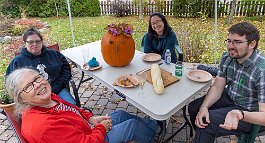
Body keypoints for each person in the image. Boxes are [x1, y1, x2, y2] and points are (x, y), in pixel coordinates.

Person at [5, 68, 159, 143]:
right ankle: (153, 136)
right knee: (130, 126)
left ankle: (152, 126)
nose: (38, 85)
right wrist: (101, 128)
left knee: (120, 114)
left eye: (37, 78)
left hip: (85, 128)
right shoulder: (43, 126)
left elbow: (73, 109)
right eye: (28, 86)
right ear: (21, 99)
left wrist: (91, 118)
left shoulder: (46, 99)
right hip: (91, 138)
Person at [188, 22, 265, 143]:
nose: (230, 46)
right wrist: (204, 107)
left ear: (252, 44)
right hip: (231, 97)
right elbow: (218, 87)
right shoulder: (228, 57)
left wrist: (240, 114)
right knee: (194, 108)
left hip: (249, 111)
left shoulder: (262, 70)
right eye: (229, 41)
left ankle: (203, 135)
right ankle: (201, 137)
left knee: (208, 122)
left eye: (237, 42)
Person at [6, 27, 76, 105]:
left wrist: (57, 86)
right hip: (33, 96)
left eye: (37, 41)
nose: (35, 44)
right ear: (25, 43)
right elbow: (11, 83)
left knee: (72, 106)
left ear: (42, 42)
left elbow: (66, 69)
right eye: (30, 42)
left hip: (58, 90)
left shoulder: (54, 54)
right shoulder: (17, 61)